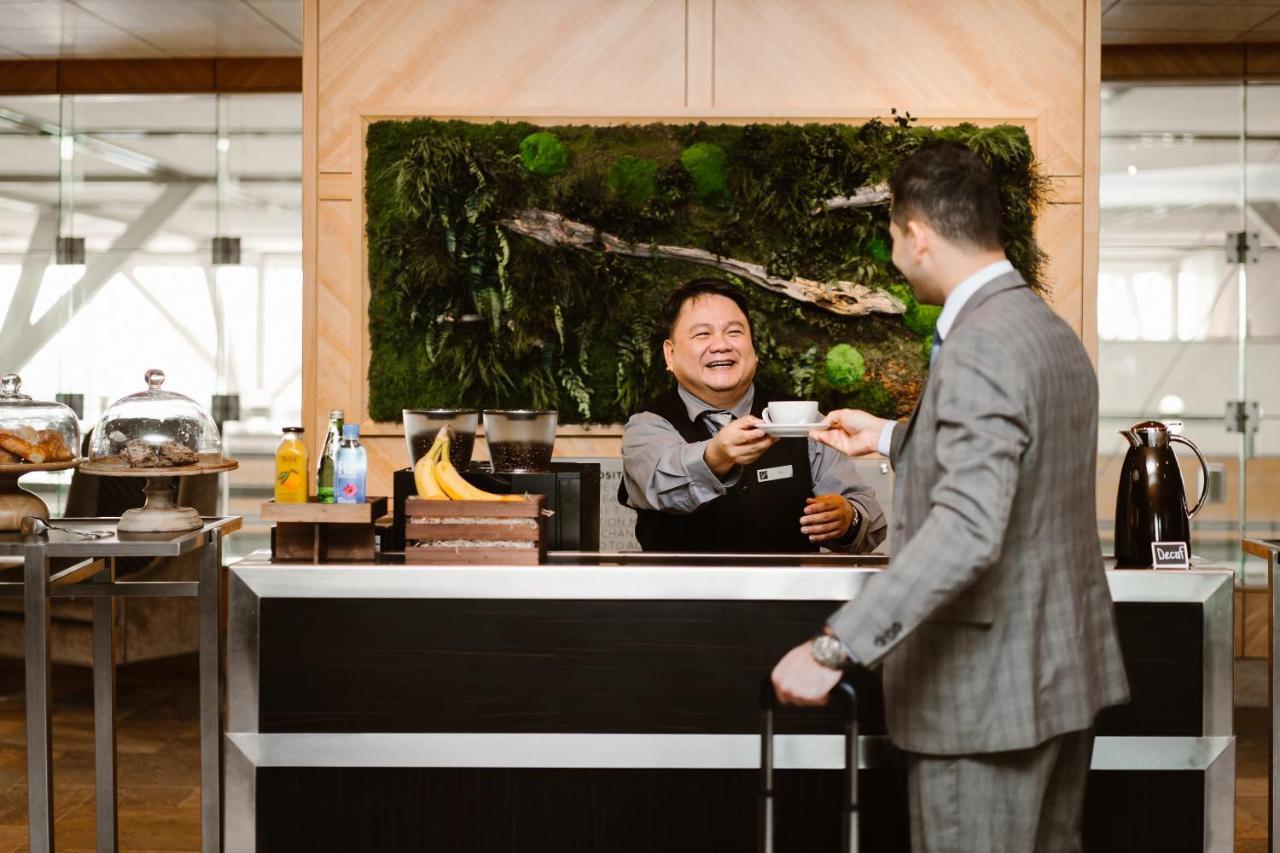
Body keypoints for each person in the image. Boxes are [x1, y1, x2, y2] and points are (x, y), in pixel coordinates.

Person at [770, 142, 1129, 851]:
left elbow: (968, 525)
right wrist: (891, 437)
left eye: (893, 237)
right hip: (1055, 679)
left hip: (984, 697)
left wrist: (835, 644)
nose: (894, 254)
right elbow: (1016, 458)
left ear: (917, 234)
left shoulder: (977, 344)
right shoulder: (1045, 329)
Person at [619, 277, 886, 553]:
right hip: (686, 595)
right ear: (670, 355)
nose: (721, 345)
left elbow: (871, 522)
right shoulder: (647, 425)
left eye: (734, 332)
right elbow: (659, 484)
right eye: (702, 334)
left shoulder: (802, 419)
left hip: (790, 595)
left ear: (754, 351)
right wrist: (716, 456)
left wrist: (848, 519)